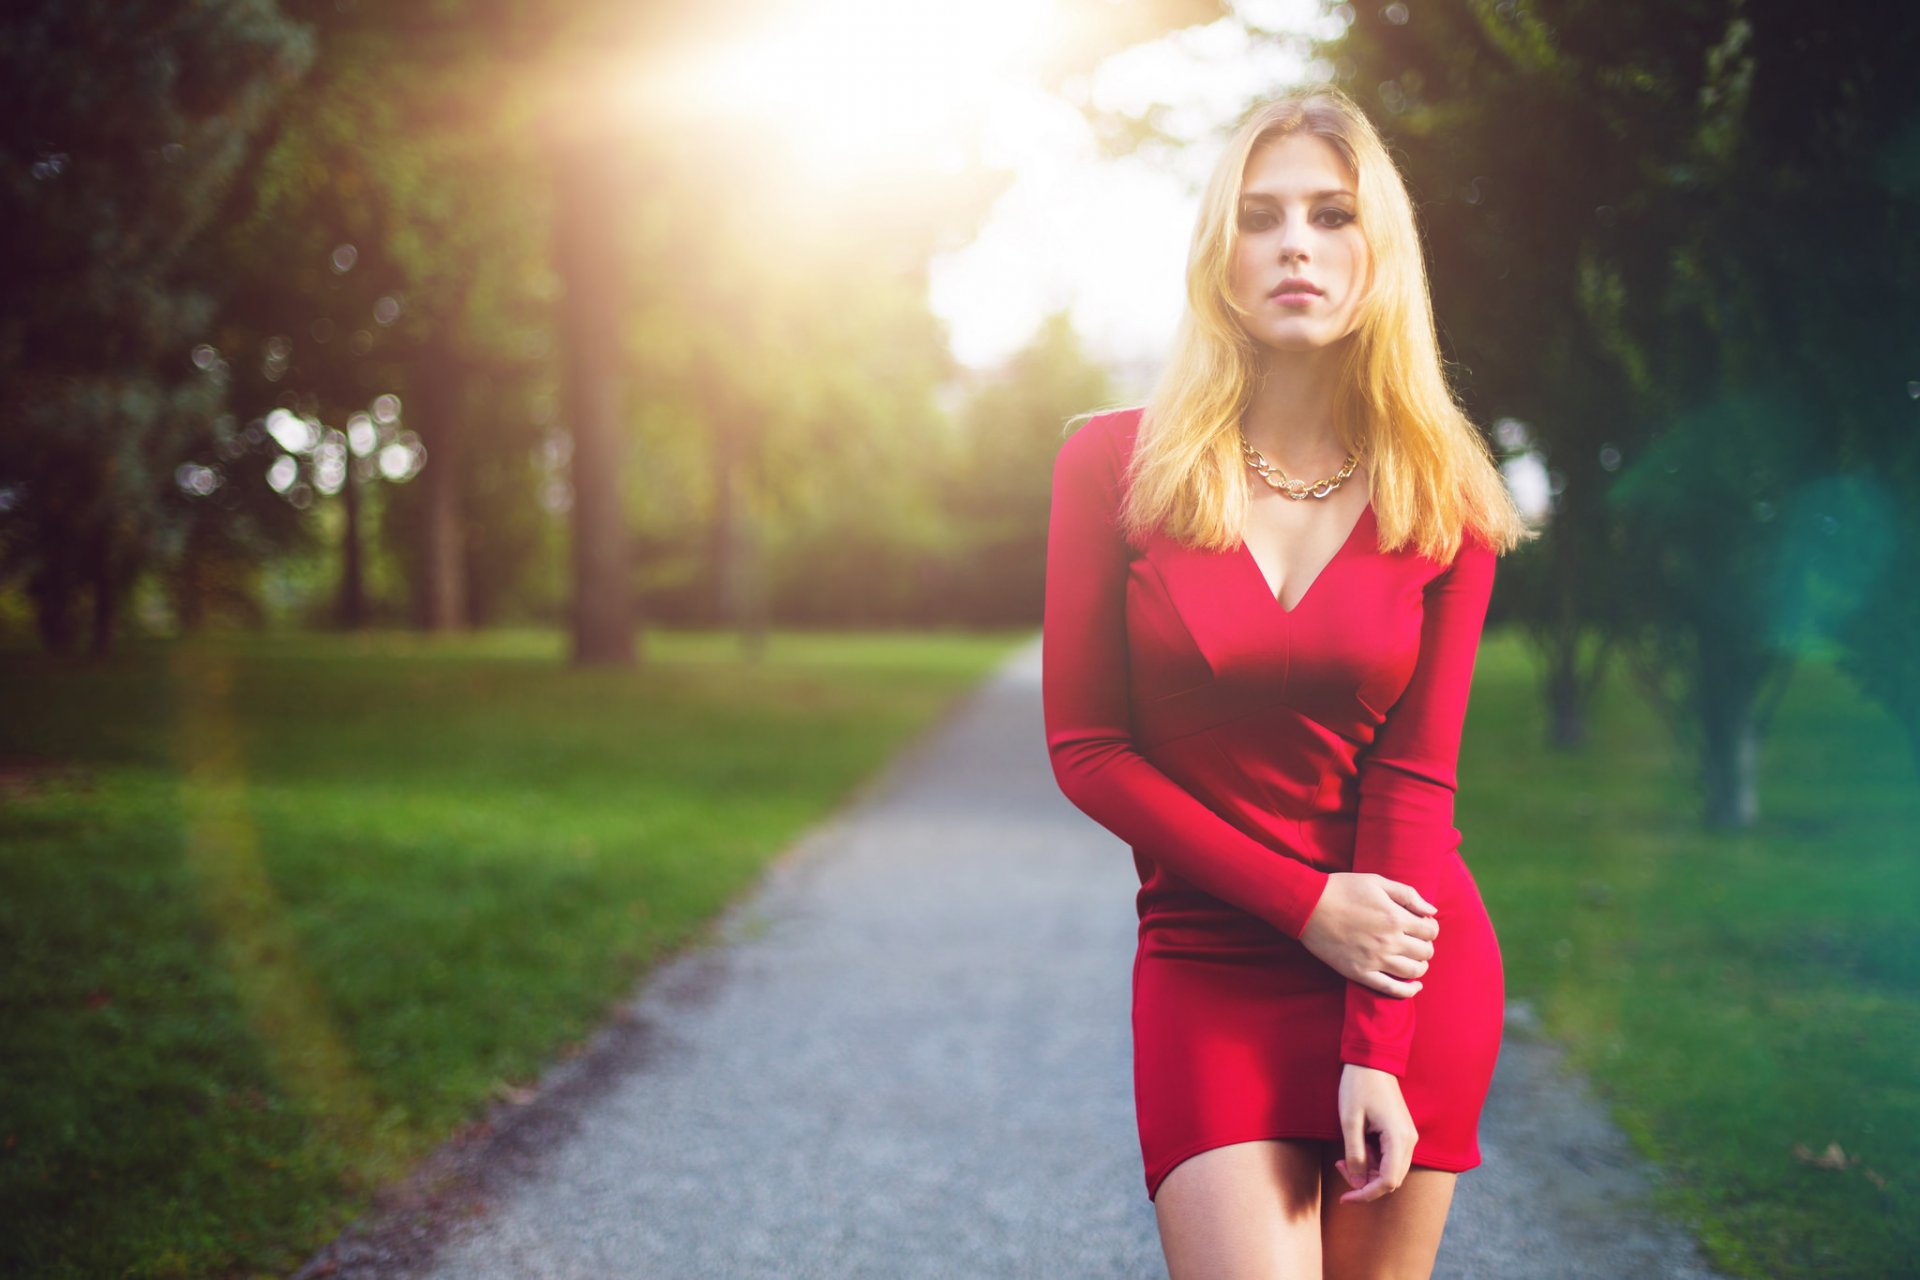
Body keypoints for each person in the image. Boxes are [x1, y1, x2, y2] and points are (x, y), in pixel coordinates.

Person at [1041, 85, 1537, 1278]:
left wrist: (1378, 1039)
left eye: (1331, 213)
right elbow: (1088, 750)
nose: (1296, 244)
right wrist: (1308, 904)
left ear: (1380, 252)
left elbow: (1415, 778)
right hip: (1213, 956)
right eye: (1261, 217)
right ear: (1222, 254)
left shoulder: (1449, 497)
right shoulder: (1113, 463)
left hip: (1403, 973)